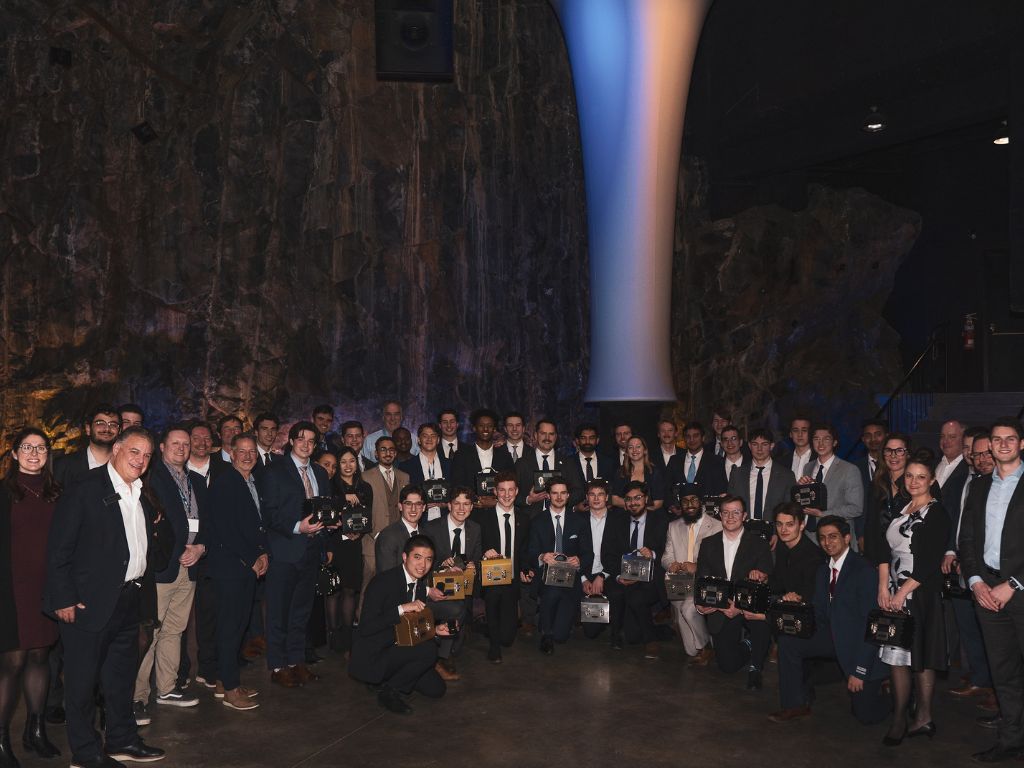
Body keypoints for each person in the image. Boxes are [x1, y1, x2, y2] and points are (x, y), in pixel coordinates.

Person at [45, 426, 166, 766]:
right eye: (134, 451)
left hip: (128, 599)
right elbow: (58, 549)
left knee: (120, 679)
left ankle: (121, 739)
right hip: (87, 603)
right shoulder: (85, 488)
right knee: (82, 684)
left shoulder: (141, 491)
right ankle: (85, 754)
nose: (140, 460)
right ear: (116, 449)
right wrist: (63, 598)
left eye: (147, 455)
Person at [769, 515, 891, 725]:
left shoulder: (864, 570)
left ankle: (897, 694)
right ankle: (795, 704)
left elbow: (872, 626)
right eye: (822, 538)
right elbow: (818, 613)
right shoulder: (824, 570)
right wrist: (798, 606)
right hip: (834, 637)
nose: (827, 542)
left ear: (847, 538)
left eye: (833, 536)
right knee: (789, 641)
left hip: (860, 647)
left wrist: (859, 671)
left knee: (865, 716)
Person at [958, 419, 1024, 763]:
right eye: (997, 439)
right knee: (1004, 673)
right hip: (987, 593)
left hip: (1019, 591)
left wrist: (1014, 584)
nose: (1003, 444)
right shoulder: (980, 485)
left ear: (1022, 444)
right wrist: (975, 580)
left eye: (1010, 438)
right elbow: (967, 538)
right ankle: (1012, 740)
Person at [876, 456, 950, 746]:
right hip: (893, 589)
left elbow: (929, 563)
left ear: (932, 480)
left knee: (920, 656)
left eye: (921, 476)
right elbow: (882, 549)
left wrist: (901, 593)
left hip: (919, 592)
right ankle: (898, 718)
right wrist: (883, 588)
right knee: (896, 657)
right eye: (909, 476)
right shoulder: (899, 507)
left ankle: (924, 716)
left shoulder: (937, 512)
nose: (914, 481)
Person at [133, 425, 207, 714]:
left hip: (190, 567)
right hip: (162, 568)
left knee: (175, 631)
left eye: (186, 444)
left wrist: (200, 548)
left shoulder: (195, 481)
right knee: (150, 633)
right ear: (162, 447)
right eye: (175, 443)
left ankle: (166, 688)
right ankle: (137, 697)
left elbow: (208, 522)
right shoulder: (150, 478)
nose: (181, 448)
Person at [0, 429, 62, 765]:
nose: (34, 453)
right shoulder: (3, 492)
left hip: (46, 588)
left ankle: (35, 732)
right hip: (10, 589)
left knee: (41, 656)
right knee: (12, 663)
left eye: (40, 448)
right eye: (27, 447)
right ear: (14, 453)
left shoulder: (57, 493)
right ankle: (1, 739)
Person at [258, 420, 331, 688]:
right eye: (301, 439)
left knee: (301, 611)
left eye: (311, 441)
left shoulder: (320, 473)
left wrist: (330, 523)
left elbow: (325, 507)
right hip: (284, 550)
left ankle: (296, 662)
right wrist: (298, 526)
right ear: (291, 441)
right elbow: (269, 513)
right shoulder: (274, 470)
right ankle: (278, 666)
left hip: (311, 550)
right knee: (278, 611)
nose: (306, 445)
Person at [348, 535, 449, 715]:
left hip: (401, 648)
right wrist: (401, 609)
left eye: (428, 559)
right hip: (375, 653)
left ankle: (390, 680)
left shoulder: (419, 585)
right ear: (404, 557)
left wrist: (434, 630)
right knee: (429, 650)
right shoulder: (382, 582)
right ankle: (389, 691)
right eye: (417, 557)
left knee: (437, 689)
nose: (423, 565)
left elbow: (412, 626)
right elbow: (366, 628)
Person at [204, 434, 268, 711]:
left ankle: (224, 681)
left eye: (252, 451)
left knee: (238, 626)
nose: (247, 456)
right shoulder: (225, 484)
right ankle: (230, 689)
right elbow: (225, 530)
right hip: (230, 568)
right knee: (230, 628)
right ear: (231, 454)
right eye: (242, 451)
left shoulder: (250, 481)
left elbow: (256, 524)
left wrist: (262, 553)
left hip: (244, 567)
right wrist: (252, 558)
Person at [695, 495, 773, 689]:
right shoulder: (708, 543)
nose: (730, 517)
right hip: (722, 609)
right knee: (727, 666)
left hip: (749, 606)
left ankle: (756, 667)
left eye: (736, 512)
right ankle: (750, 644)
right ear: (720, 515)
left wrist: (739, 606)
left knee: (761, 621)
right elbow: (701, 580)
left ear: (744, 515)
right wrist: (701, 604)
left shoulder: (759, 544)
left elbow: (765, 584)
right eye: (726, 512)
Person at [945, 431, 995, 701]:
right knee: (969, 626)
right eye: (975, 453)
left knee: (994, 635)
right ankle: (980, 679)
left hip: (995, 574)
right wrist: (954, 552)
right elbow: (960, 523)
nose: (979, 458)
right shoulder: (969, 482)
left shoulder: (1006, 485)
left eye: (986, 453)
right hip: (966, 567)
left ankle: (998, 690)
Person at [601, 482, 668, 659]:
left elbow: (668, 552)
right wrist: (618, 576)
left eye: (637, 498)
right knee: (632, 635)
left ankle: (651, 640)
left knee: (637, 600)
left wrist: (653, 554)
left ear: (646, 499)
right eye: (629, 499)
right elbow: (607, 554)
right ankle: (617, 633)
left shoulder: (660, 521)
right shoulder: (616, 521)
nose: (633, 503)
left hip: (649, 578)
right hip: (623, 576)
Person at [421, 486, 481, 679]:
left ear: (471, 507)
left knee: (458, 639)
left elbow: (477, 559)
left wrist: (473, 566)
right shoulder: (431, 528)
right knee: (456, 610)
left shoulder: (475, 529)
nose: (461, 509)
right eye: (457, 503)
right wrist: (441, 565)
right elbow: (422, 564)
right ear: (448, 505)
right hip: (435, 586)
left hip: (462, 588)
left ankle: (445, 648)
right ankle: (442, 656)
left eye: (466, 504)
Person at [527, 479, 591, 654]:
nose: (559, 497)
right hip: (546, 576)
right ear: (548, 496)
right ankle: (546, 634)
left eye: (563, 493)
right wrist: (542, 556)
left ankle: (548, 621)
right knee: (552, 591)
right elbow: (531, 552)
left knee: (561, 637)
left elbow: (588, 553)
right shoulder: (537, 521)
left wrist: (579, 560)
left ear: (568, 495)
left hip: (571, 578)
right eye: (555, 493)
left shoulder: (579, 521)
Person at [473, 472, 531, 663]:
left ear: (517, 491)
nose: (506, 495)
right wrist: (484, 552)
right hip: (491, 577)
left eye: (510, 490)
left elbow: (524, 549)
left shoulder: (524, 518)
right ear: (495, 492)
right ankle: (493, 647)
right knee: (492, 598)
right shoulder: (482, 518)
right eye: (502, 490)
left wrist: (525, 569)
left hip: (512, 578)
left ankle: (489, 629)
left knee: (507, 638)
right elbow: (474, 546)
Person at [661, 485, 721, 664]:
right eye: (685, 501)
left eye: (694, 500)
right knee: (690, 651)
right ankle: (706, 642)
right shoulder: (673, 526)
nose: (689, 505)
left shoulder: (716, 526)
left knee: (688, 609)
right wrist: (671, 565)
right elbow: (666, 556)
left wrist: (697, 567)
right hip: (679, 582)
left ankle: (707, 647)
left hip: (705, 581)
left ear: (701, 502)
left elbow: (720, 562)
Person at [328, 447, 371, 656]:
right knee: (333, 591)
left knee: (350, 590)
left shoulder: (365, 487)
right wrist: (344, 498)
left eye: (351, 461)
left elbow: (368, 517)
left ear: (357, 463)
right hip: (335, 544)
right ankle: (333, 637)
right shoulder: (331, 486)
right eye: (343, 461)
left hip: (354, 545)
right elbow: (327, 514)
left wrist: (359, 533)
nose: (348, 465)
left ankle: (347, 639)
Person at [797, 424, 864, 542]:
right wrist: (800, 489)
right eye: (816, 439)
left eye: (826, 439)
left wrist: (823, 514)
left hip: (837, 537)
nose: (821, 443)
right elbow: (806, 502)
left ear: (834, 442)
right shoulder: (808, 467)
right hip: (809, 536)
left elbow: (856, 508)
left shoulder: (849, 469)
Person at [361, 437, 409, 595]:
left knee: (395, 586)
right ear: (376, 453)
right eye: (383, 449)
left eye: (391, 450)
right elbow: (362, 510)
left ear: (395, 453)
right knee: (369, 587)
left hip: (398, 541)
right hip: (373, 540)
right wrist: (374, 533)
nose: (387, 453)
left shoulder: (404, 477)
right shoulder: (365, 477)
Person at [728, 428, 796, 531]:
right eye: (755, 444)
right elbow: (731, 507)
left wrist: (776, 533)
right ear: (749, 446)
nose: (759, 449)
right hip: (743, 533)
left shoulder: (786, 475)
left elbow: (790, 510)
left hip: (775, 533)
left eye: (764, 444)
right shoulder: (737, 474)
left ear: (771, 446)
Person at [863, 433, 912, 565]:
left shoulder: (916, 484)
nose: (893, 455)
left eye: (899, 451)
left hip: (908, 554)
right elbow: (871, 525)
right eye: (888, 450)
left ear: (908, 454)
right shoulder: (877, 483)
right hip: (880, 555)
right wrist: (871, 560)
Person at [54, 404, 121, 489]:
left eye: (113, 424)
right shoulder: (64, 466)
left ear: (119, 431)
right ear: (88, 429)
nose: (107, 429)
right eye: (100, 423)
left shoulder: (127, 465)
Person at [451, 409, 514, 497]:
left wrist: (495, 501)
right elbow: (457, 486)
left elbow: (511, 485)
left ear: (494, 429)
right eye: (481, 425)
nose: (485, 429)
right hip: (471, 504)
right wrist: (477, 501)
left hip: (498, 504)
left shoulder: (505, 456)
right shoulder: (462, 455)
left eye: (489, 426)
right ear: (474, 428)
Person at [770, 503, 826, 603]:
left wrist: (798, 597)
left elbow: (811, 595)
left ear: (802, 525)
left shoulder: (813, 556)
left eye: (790, 524)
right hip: (786, 602)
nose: (783, 530)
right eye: (779, 524)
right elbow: (779, 584)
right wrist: (764, 578)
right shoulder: (782, 545)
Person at [399, 423, 450, 522]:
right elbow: (404, 497)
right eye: (425, 436)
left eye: (433, 436)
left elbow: (455, 492)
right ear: (419, 440)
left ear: (438, 440)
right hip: (418, 521)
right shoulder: (406, 466)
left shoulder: (450, 464)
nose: (429, 439)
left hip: (445, 520)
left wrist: (447, 503)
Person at [667, 421, 728, 496]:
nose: (692, 440)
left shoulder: (716, 461)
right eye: (688, 436)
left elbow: (721, 490)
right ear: (684, 439)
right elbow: (667, 489)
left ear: (703, 438)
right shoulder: (674, 461)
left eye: (695, 436)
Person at [375, 486, 427, 574]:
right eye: (408, 504)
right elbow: (387, 576)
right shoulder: (388, 536)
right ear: (400, 507)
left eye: (418, 504)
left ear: (424, 507)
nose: (413, 509)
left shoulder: (427, 535)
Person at [611, 437, 665, 511]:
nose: (634, 450)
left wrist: (641, 511)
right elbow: (614, 499)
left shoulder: (654, 472)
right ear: (627, 452)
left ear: (645, 450)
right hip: (625, 514)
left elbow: (658, 502)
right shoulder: (621, 472)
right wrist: (634, 506)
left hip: (649, 514)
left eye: (638, 447)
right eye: (630, 447)